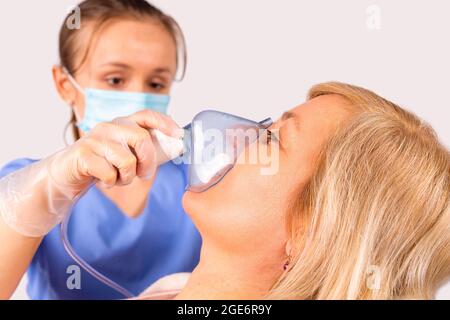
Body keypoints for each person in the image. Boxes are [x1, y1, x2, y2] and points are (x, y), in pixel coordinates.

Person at [138, 82, 450, 300]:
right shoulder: (169, 290)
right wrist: (86, 181)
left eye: (272, 140)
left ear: (310, 232)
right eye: (266, 128)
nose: (236, 134)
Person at [0, 0, 201, 299]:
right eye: (116, 79)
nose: (139, 96)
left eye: (157, 83)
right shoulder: (25, 186)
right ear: (65, 85)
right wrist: (48, 187)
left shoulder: (201, 178)